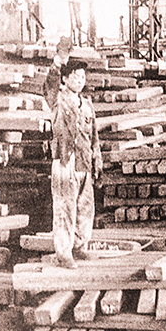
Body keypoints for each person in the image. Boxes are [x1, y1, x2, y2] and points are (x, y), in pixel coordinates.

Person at [43, 38, 102, 269]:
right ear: (65, 79)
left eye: (82, 76)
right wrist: (58, 62)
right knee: (64, 209)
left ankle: (79, 247)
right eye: (75, 76)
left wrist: (97, 160)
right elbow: (50, 84)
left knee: (85, 208)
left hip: (84, 163)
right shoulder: (57, 100)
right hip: (65, 162)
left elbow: (94, 136)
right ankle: (64, 253)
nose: (80, 80)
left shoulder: (87, 105)